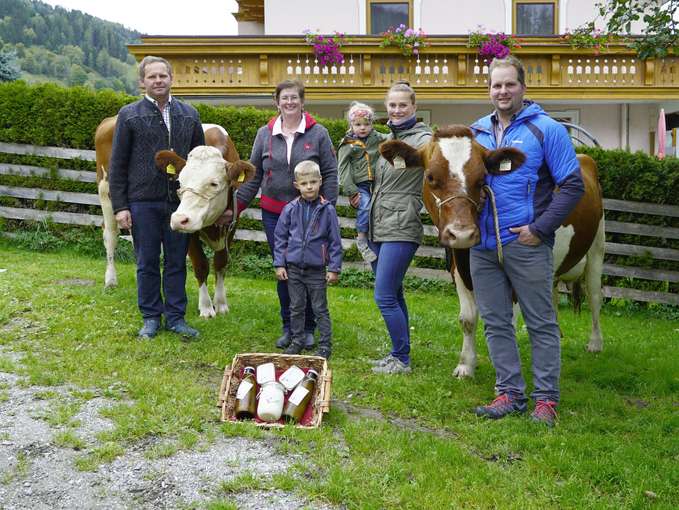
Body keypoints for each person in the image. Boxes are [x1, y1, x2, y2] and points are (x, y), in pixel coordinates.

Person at [469, 55, 585, 427]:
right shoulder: (476, 134)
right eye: (496, 85)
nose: (502, 91)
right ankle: (510, 394)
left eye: (509, 84)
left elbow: (572, 185)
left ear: (523, 87)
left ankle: (546, 400)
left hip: (526, 244)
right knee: (496, 321)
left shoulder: (547, 130)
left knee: (541, 322)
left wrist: (541, 229)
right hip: (483, 247)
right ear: (489, 89)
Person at [236, 79, 338, 351]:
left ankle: (308, 329)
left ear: (302, 101)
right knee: (285, 269)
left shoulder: (319, 134)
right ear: (277, 101)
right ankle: (289, 327)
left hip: (310, 216)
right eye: (285, 98)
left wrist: (325, 207)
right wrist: (234, 207)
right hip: (275, 215)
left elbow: (330, 173)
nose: (290, 102)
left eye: (294, 97)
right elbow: (253, 174)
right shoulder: (264, 134)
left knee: (310, 269)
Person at [109, 55, 205, 340]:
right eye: (152, 77)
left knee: (176, 260)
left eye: (162, 76)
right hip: (143, 202)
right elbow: (117, 165)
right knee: (147, 261)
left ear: (171, 78)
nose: (158, 81)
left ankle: (176, 317)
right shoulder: (129, 115)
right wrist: (121, 206)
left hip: (179, 202)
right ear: (142, 82)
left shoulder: (190, 115)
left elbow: (199, 161)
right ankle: (151, 317)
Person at [368, 81, 432, 375]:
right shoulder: (384, 138)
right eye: (392, 105)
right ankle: (399, 354)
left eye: (402, 105)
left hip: (402, 224)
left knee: (383, 295)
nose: (396, 110)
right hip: (379, 223)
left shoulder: (424, 140)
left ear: (414, 107)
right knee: (395, 293)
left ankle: (401, 359)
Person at [273, 161, 342, 359]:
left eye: (313, 182)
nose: (309, 186)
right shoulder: (290, 208)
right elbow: (280, 238)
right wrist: (279, 263)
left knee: (320, 308)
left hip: (316, 270)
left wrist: (334, 268)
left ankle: (325, 345)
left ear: (320, 182)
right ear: (297, 185)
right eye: (304, 183)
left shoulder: (327, 210)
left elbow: (335, 241)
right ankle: (297, 341)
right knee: (296, 307)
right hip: (294, 269)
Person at [337, 102, 386, 263]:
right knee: (364, 207)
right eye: (358, 124)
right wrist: (351, 191)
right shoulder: (348, 144)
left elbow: (391, 138)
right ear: (351, 124)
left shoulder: (376, 138)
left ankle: (381, 240)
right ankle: (362, 239)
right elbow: (343, 169)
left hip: (377, 184)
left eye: (367, 124)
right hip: (360, 186)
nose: (362, 128)